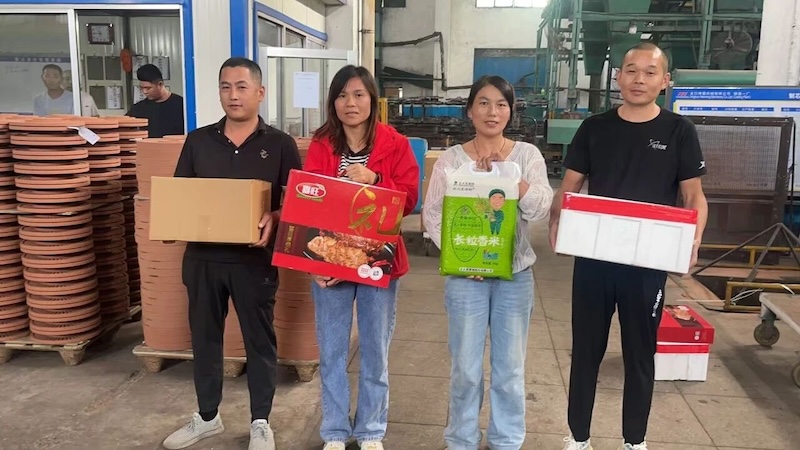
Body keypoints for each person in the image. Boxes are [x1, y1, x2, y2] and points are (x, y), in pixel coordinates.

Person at [550, 42, 708, 450]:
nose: (639, 79)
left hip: (647, 264)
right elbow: (570, 186)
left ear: (664, 81)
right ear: (618, 77)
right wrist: (557, 222)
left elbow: (693, 194)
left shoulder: (679, 131)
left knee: (640, 355)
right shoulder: (595, 128)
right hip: (595, 261)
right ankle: (578, 437)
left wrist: (693, 239)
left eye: (650, 72)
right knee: (586, 352)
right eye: (631, 70)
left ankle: (634, 441)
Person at [163, 57, 302, 450]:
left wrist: (276, 215)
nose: (233, 95)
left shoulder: (279, 145)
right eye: (225, 87)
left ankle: (260, 422)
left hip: (253, 261)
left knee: (260, 341)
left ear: (260, 92)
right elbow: (181, 196)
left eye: (242, 87)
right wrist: (172, 224)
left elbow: (296, 203)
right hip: (203, 259)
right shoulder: (198, 141)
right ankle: (207, 417)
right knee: (205, 339)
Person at [422, 75, 553, 450]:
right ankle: (461, 439)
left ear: (510, 112)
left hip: (516, 276)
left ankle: (506, 440)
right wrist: (464, 260)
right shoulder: (452, 160)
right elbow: (433, 215)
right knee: (465, 367)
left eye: (500, 104)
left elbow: (541, 207)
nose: (491, 111)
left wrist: (510, 177)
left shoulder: (526, 156)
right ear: (469, 110)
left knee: (509, 368)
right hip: (466, 280)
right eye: (483, 103)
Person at [303, 65, 419, 450]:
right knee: (332, 351)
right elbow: (309, 201)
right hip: (331, 262)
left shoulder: (394, 143)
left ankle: (370, 429)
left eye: (358, 95)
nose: (350, 103)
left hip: (378, 260)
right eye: (341, 95)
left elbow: (410, 198)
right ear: (332, 102)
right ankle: (335, 431)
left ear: (372, 99)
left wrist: (377, 180)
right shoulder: (322, 144)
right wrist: (317, 263)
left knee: (374, 350)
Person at [127, 63, 184, 137]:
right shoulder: (138, 109)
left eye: (148, 88)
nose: (144, 92)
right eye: (141, 88)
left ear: (160, 84)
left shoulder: (181, 105)